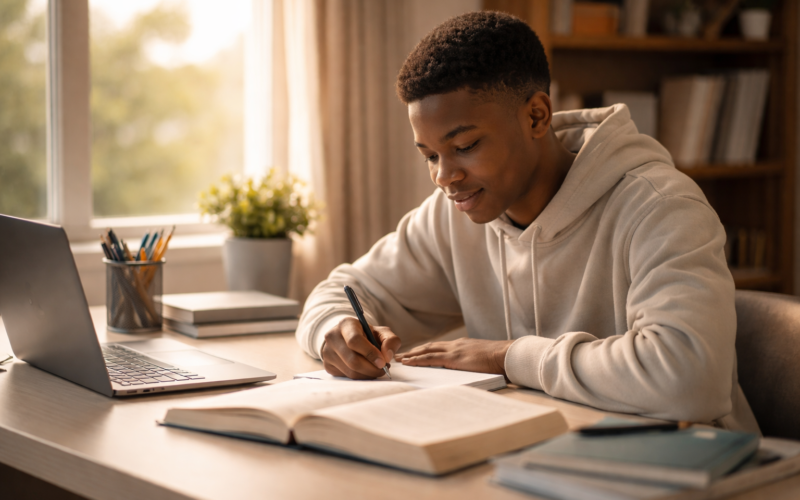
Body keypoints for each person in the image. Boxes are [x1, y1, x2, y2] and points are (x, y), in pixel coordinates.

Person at [295, 11, 758, 431]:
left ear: (537, 116)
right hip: (544, 453)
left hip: (701, 471)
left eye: (466, 146)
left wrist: (505, 357)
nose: (444, 177)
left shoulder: (660, 206)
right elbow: (345, 289)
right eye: (430, 155)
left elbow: (689, 379)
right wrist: (334, 330)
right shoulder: (454, 213)